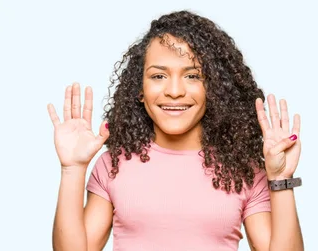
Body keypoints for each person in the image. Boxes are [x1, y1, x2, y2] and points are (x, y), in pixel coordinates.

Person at [47, 10, 304, 251]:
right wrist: (72, 169)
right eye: (158, 76)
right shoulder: (112, 165)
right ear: (140, 90)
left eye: (192, 76)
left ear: (213, 88)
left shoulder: (244, 171)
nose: (174, 91)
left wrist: (280, 178)